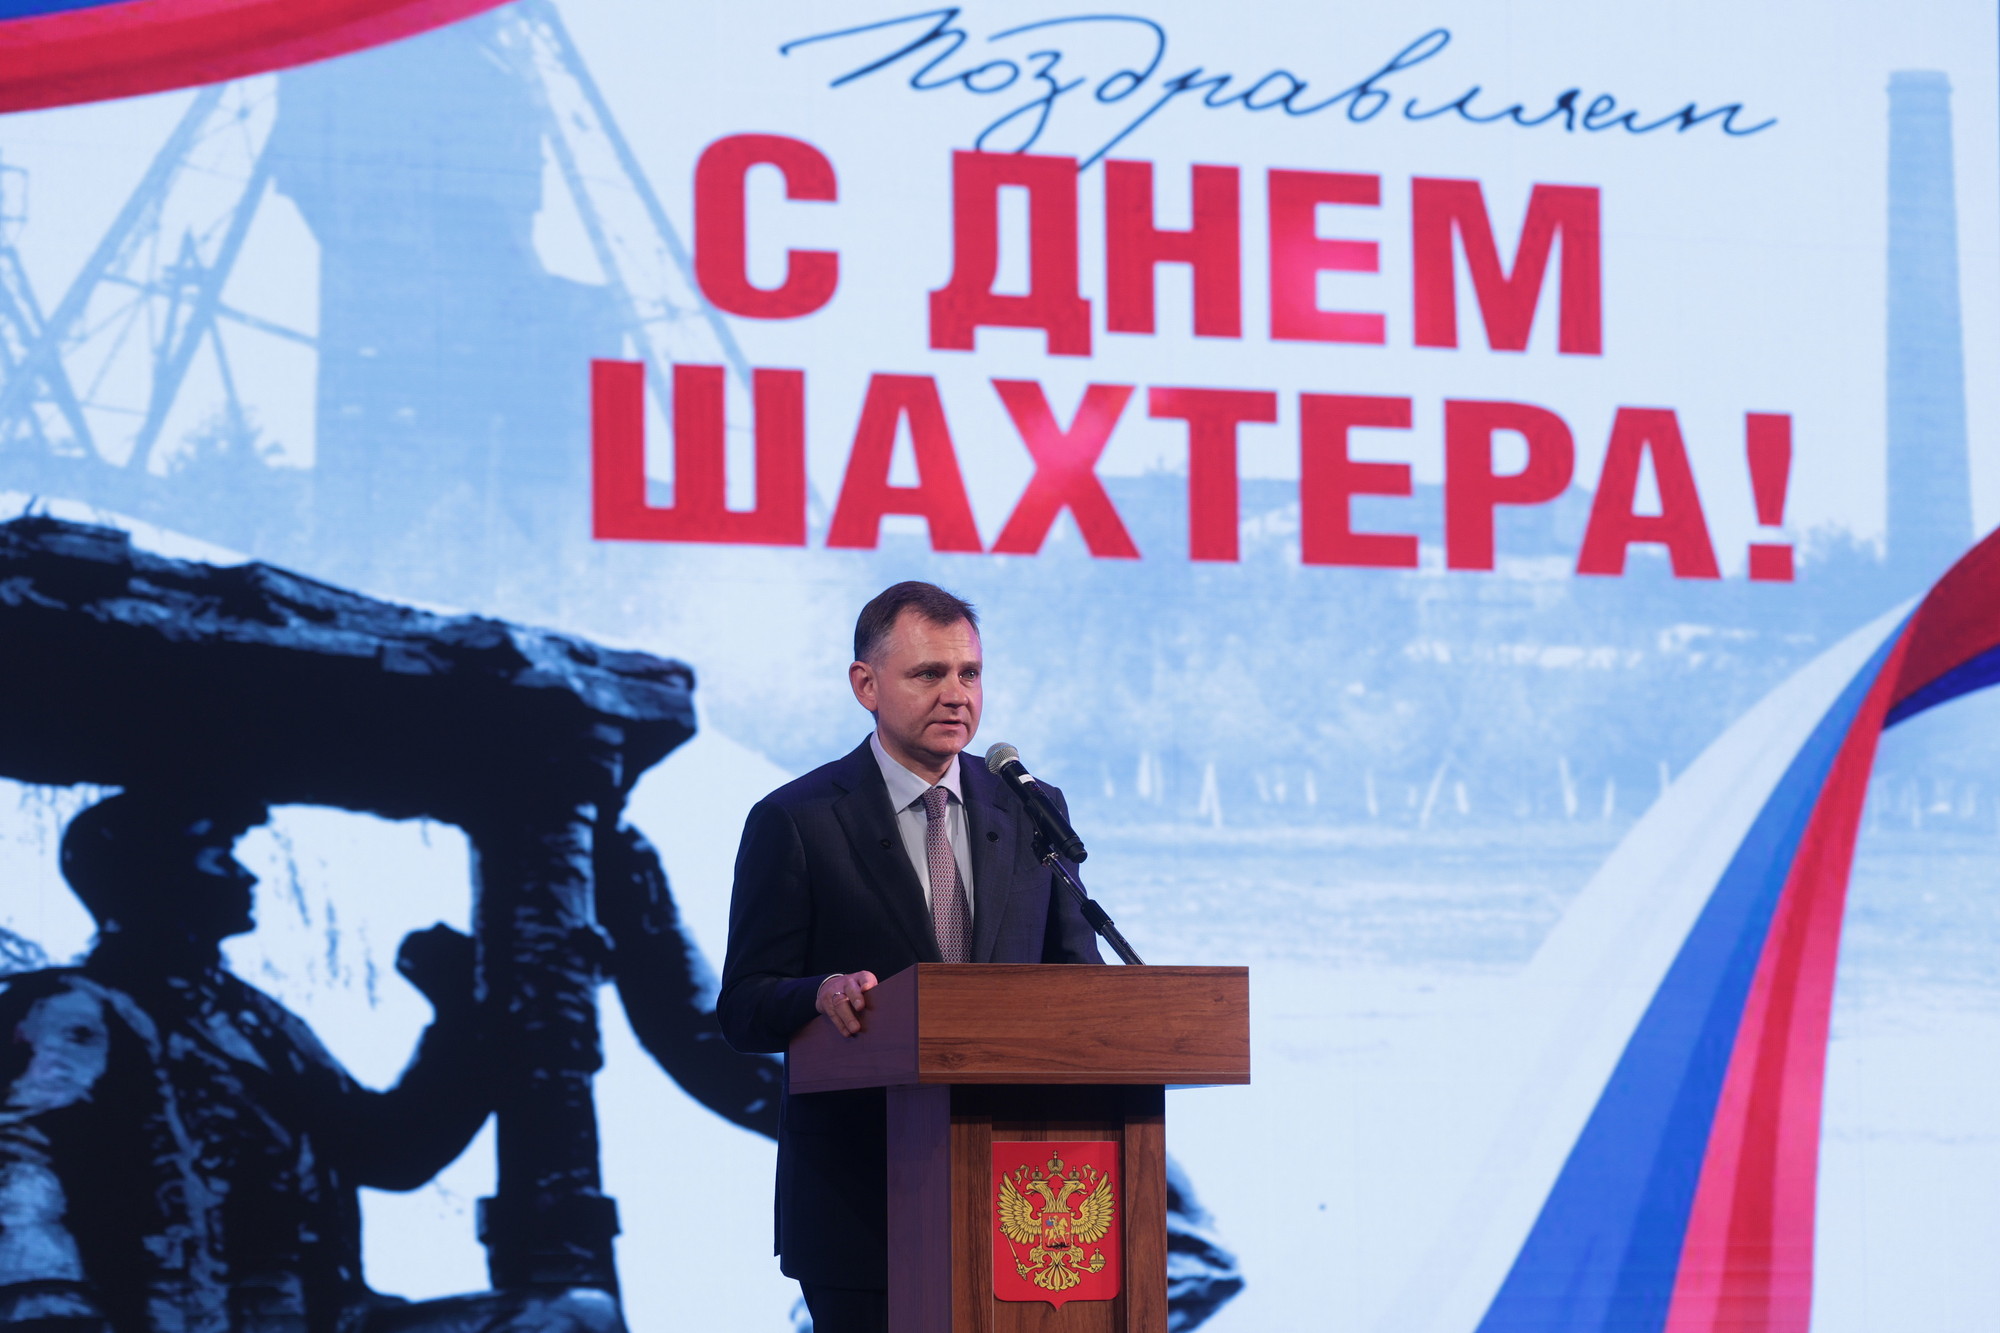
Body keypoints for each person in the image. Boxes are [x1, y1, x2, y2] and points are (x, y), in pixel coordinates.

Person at [0, 792, 616, 1333]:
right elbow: (21, 1158)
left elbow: (390, 1151)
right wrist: (43, 1307)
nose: (246, 876)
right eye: (219, 854)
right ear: (154, 873)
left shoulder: (258, 1021)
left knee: (571, 1320)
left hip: (329, 1318)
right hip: (185, 1318)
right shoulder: (73, 1006)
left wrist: (459, 1015)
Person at [717, 582, 1102, 1333]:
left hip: (1024, 1205)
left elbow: (1076, 981)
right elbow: (743, 1006)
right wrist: (820, 993)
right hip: (862, 1207)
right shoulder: (796, 820)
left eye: (970, 673)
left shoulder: (1031, 807)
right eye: (929, 673)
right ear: (866, 685)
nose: (957, 694)